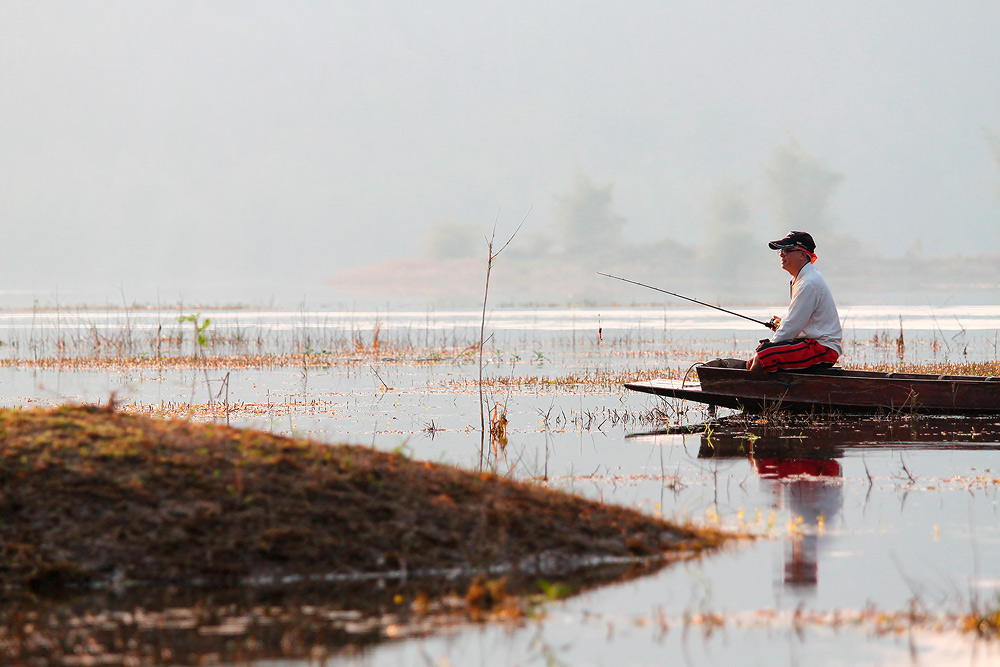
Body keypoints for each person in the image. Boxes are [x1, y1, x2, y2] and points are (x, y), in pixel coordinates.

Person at [748, 231, 842, 372]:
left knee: (764, 356)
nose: (781, 254)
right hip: (810, 343)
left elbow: (792, 325)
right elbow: (795, 323)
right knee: (756, 359)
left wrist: (770, 346)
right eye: (781, 250)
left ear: (802, 254)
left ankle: (750, 389)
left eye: (787, 250)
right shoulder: (802, 279)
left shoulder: (808, 283)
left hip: (823, 349)